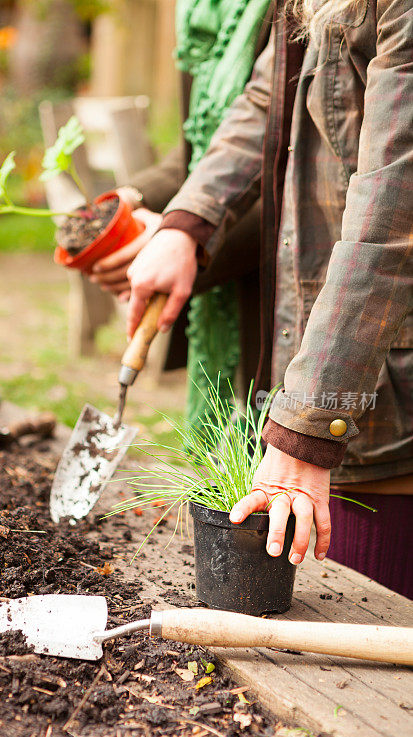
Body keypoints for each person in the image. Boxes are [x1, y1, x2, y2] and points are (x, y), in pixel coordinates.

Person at [124, 0, 413, 597]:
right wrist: (187, 222)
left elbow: (396, 216)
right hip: (339, 356)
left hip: (387, 374)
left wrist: (307, 431)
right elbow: (266, 99)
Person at [90, 0, 273, 432]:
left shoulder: (296, 13)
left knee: (275, 433)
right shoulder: (204, 13)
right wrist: (129, 199)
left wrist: (186, 238)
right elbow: (200, 150)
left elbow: (307, 176)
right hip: (223, 266)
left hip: (287, 291)